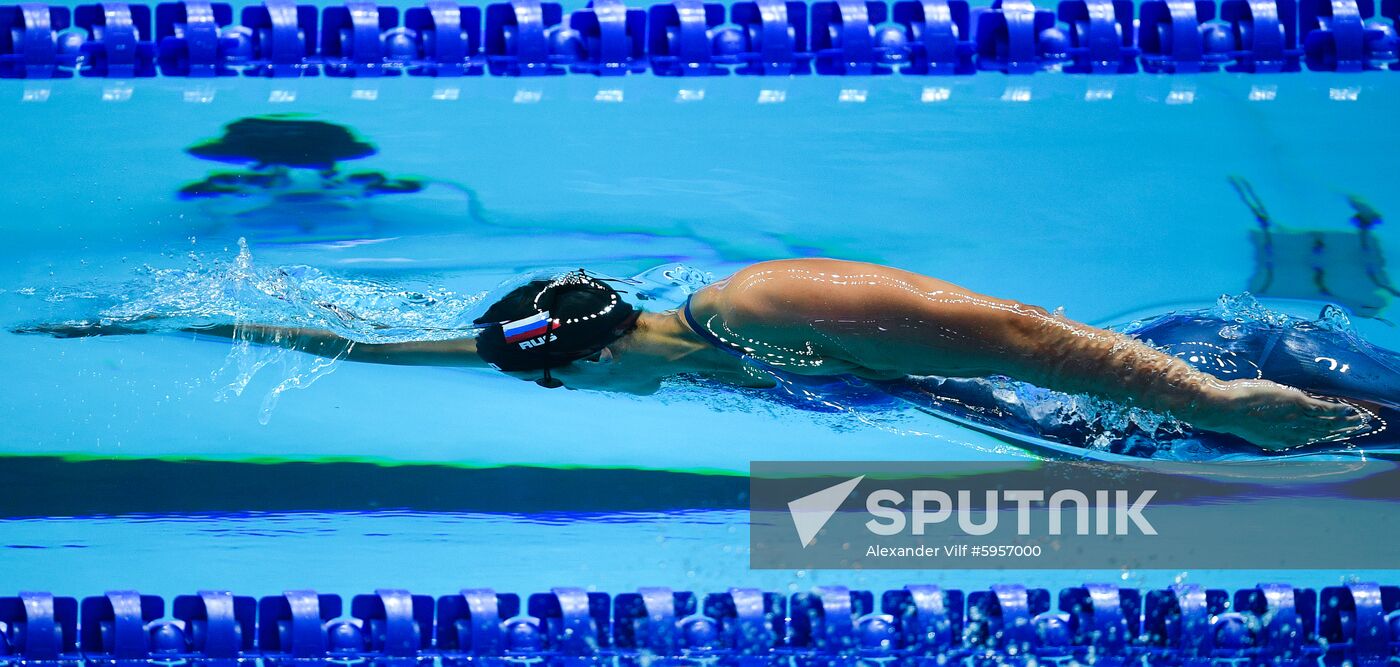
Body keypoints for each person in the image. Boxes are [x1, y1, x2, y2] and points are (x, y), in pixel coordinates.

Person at [21, 258, 1367, 451]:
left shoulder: (761, 307)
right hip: (1138, 421)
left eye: (551, 380)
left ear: (587, 354)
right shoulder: (639, 346)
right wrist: (159, 320)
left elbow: (1015, 339)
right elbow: (382, 347)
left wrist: (1221, 402)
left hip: (1232, 363)